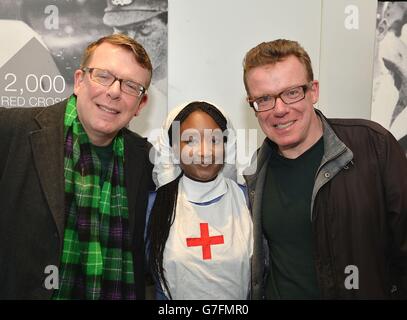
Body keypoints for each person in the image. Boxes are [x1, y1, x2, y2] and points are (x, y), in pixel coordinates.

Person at [242, 39, 407, 299]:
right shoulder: (257, 170)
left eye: (292, 92)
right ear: (253, 105)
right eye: (264, 99)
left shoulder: (373, 146)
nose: (280, 109)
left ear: (313, 91)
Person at [0, 33, 154, 299]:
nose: (114, 92)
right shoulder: (12, 130)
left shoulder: (146, 160)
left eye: (131, 86)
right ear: (79, 81)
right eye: (103, 76)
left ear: (140, 104)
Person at [146, 101, 253, 299]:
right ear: (174, 148)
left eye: (215, 140)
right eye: (190, 141)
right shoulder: (153, 207)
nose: (204, 152)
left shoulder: (249, 200)